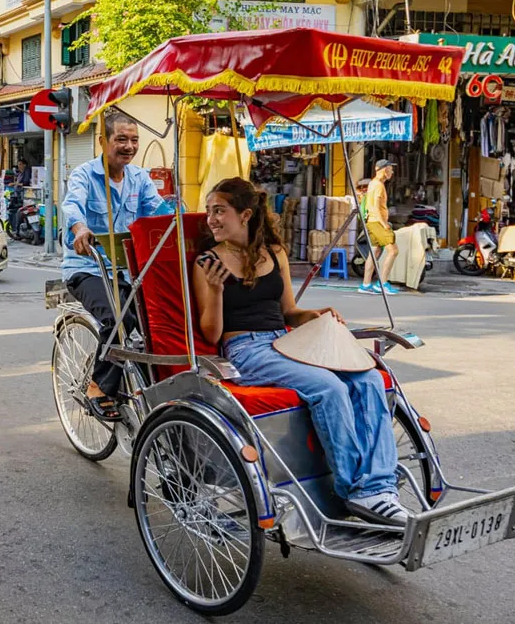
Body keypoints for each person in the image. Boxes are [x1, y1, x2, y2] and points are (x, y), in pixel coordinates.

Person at [193, 177, 408, 526]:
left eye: (219, 211)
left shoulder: (274, 253)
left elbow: (290, 312)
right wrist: (217, 291)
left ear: (245, 215)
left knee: (367, 378)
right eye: (209, 212)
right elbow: (212, 333)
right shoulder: (208, 262)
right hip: (244, 347)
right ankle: (355, 491)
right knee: (329, 387)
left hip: (286, 338)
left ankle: (380, 490)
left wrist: (317, 315)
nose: (211, 220)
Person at [61, 111, 171, 421]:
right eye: (121, 139)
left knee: (158, 321)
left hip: (128, 270)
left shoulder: (139, 178)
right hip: (88, 268)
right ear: (103, 141)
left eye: (134, 140)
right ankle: (98, 385)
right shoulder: (84, 175)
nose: (129, 146)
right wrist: (79, 228)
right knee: (120, 321)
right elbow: (72, 206)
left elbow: (158, 214)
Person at [359, 159, 400, 295]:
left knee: (375, 251)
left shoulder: (373, 183)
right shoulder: (378, 185)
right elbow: (375, 206)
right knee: (393, 250)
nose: (392, 172)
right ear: (384, 169)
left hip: (372, 221)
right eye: (390, 169)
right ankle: (382, 283)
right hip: (377, 221)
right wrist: (384, 224)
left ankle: (365, 284)